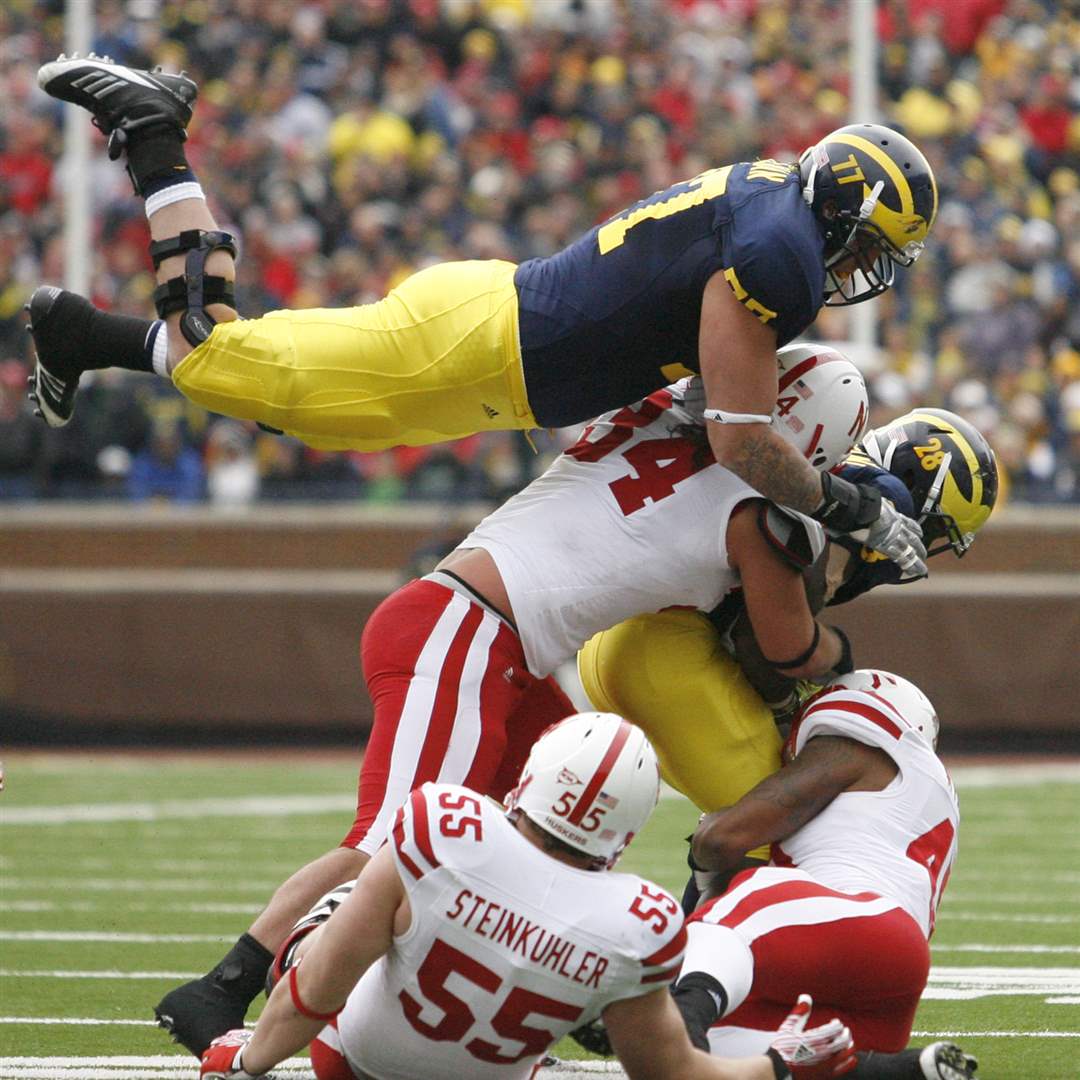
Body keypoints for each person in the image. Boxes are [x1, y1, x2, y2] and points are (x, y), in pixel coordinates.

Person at [156, 345, 870, 1056]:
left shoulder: (649, 414)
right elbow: (789, 650)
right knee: (387, 844)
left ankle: (578, 996)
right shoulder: (759, 512)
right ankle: (223, 987)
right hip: (466, 634)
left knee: (555, 828)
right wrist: (846, 654)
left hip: (495, 647)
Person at [28, 53, 930, 575]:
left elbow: (701, 353)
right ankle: (152, 135)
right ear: (847, 208)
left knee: (292, 408)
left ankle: (81, 333)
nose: (866, 271)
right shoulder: (782, 252)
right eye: (874, 246)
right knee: (216, 355)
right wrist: (847, 508)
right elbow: (742, 440)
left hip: (493, 342)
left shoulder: (774, 205)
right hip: (484, 344)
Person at [198, 712, 858, 1080]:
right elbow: (672, 1075)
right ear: (625, 830)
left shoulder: (445, 828)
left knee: (340, 912)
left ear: (534, 779)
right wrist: (775, 1066)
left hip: (355, 1066)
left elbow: (315, 989)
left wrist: (246, 1058)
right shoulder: (641, 920)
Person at [576, 407, 998, 821]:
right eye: (939, 529)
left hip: (621, 640)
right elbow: (770, 644)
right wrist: (819, 672)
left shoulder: (826, 472)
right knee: (778, 835)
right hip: (664, 656)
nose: (932, 543)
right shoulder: (878, 508)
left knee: (746, 825)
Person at [664, 669, 978, 1080]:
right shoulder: (922, 794)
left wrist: (706, 873)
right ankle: (895, 1071)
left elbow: (721, 840)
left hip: (855, 922)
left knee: (744, 897)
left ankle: (683, 1019)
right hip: (886, 979)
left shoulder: (863, 740)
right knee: (726, 1042)